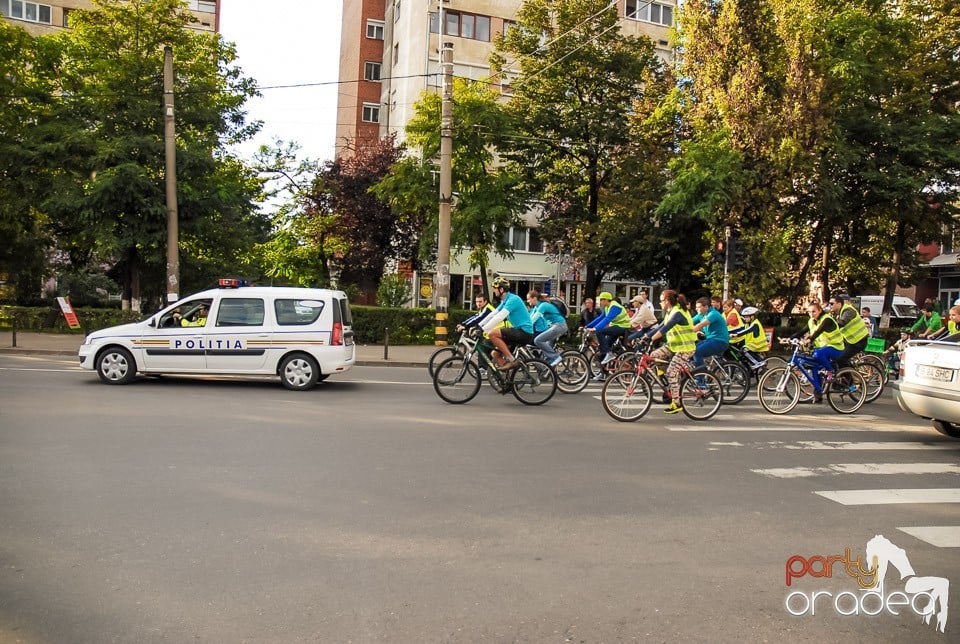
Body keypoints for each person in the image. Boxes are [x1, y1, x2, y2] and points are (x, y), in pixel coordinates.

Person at [642, 289, 697, 414]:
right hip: (673, 346)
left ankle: (676, 403)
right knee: (653, 356)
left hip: (686, 348)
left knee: (671, 372)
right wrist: (645, 336)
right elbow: (661, 325)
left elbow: (666, 328)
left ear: (667, 301)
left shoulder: (678, 312)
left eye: (661, 301)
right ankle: (671, 381)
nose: (660, 303)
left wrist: (653, 338)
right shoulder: (670, 311)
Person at [480, 277, 535, 370]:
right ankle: (507, 380)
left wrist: (483, 329)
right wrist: (479, 325)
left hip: (524, 332)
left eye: (495, 288)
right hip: (518, 332)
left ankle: (512, 360)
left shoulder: (513, 299)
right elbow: (493, 314)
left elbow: (500, 317)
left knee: (492, 334)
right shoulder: (505, 300)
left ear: (501, 289)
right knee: (495, 354)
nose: (494, 291)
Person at [794, 300, 844, 397]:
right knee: (814, 367)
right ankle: (818, 394)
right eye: (809, 312)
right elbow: (801, 331)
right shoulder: (811, 321)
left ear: (820, 311)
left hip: (836, 347)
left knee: (817, 354)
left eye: (814, 311)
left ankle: (831, 371)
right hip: (823, 349)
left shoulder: (827, 319)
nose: (811, 314)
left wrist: (810, 339)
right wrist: (789, 338)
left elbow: (819, 331)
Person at [585, 292, 633, 367]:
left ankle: (609, 353)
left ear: (606, 300)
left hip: (623, 327)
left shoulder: (615, 306)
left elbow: (607, 319)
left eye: (601, 300)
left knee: (600, 333)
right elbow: (600, 318)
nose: (600, 302)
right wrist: (587, 326)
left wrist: (595, 328)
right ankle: (603, 372)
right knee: (604, 348)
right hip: (616, 326)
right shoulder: (607, 307)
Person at [526, 290, 569, 367]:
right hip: (554, 326)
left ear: (535, 298)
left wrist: (525, 327)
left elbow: (534, 319)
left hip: (559, 326)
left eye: (529, 299)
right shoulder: (536, 307)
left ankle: (556, 357)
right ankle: (547, 372)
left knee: (538, 340)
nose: (527, 301)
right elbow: (529, 319)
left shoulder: (543, 306)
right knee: (546, 356)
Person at [827, 294, 870, 368]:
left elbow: (841, 323)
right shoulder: (835, 314)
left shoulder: (848, 310)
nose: (829, 306)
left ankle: (849, 378)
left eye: (832, 304)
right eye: (829, 304)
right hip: (850, 341)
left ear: (839, 304)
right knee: (834, 355)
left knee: (841, 359)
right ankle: (847, 372)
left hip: (859, 341)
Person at [691, 296, 730, 367]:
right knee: (691, 350)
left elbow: (700, 325)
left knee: (697, 352)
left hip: (720, 341)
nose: (696, 309)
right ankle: (703, 371)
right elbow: (689, 322)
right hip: (711, 339)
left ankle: (700, 377)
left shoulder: (713, 314)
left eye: (698, 307)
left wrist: (686, 332)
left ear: (706, 307)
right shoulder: (701, 314)